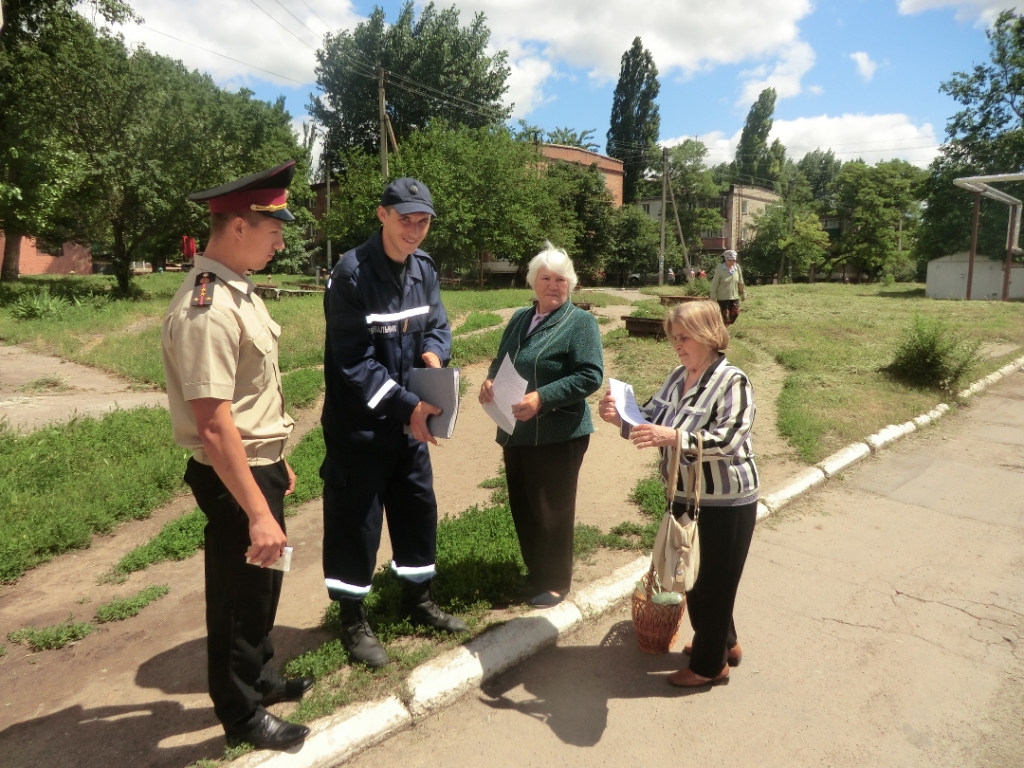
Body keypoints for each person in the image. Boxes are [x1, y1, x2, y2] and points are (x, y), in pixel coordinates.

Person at [161, 161, 312, 750]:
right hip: (232, 477)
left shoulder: (237, 291)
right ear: (240, 227)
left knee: (264, 585)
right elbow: (216, 425)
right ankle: (243, 716)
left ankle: (258, 679)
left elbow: (251, 398)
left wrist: (276, 459)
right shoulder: (208, 307)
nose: (281, 241)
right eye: (274, 229)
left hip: (258, 465)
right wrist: (256, 509)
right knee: (235, 593)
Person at [320, 178, 467, 668]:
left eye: (423, 221)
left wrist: (434, 351)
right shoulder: (351, 274)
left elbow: (440, 325)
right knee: (355, 524)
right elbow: (355, 364)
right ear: (382, 215)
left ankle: (418, 598)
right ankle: (352, 618)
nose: (415, 230)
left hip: (409, 427)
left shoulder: (423, 269)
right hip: (360, 430)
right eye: (406, 219)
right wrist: (409, 406)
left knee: (416, 511)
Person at [598, 300, 758, 687]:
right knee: (698, 574)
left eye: (683, 337)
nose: (677, 345)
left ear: (707, 335)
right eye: (674, 337)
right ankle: (727, 643)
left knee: (715, 582)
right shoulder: (677, 376)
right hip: (685, 494)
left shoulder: (733, 380)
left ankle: (709, 666)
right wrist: (620, 417)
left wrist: (674, 436)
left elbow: (729, 437)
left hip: (726, 499)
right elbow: (651, 417)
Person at [478, 244, 604, 607]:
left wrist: (542, 397)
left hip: (558, 433)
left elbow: (590, 376)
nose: (552, 285)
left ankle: (555, 582)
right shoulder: (520, 317)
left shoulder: (581, 323)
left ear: (571, 284)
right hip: (515, 428)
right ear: (533, 282)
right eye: (545, 278)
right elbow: (501, 361)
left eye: (560, 279)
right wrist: (489, 383)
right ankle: (535, 574)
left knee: (552, 511)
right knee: (524, 506)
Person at [709, 250, 745, 325]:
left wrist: (743, 293)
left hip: (734, 296)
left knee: (735, 312)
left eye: (734, 260)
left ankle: (724, 328)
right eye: (730, 260)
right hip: (723, 297)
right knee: (724, 317)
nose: (732, 262)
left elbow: (741, 282)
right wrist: (713, 297)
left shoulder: (737, 267)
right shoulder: (720, 268)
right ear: (726, 259)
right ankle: (723, 331)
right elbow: (715, 283)